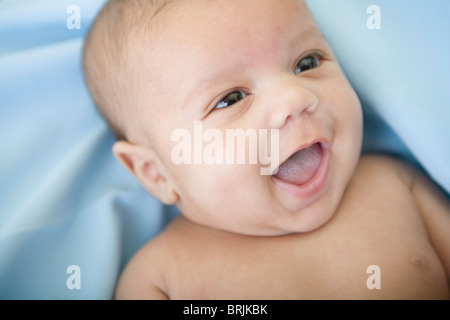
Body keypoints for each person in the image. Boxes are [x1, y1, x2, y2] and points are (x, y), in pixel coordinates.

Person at [82, 0, 450, 299]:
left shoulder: (396, 185)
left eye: (306, 63)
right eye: (231, 99)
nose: (294, 97)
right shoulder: (162, 277)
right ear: (157, 172)